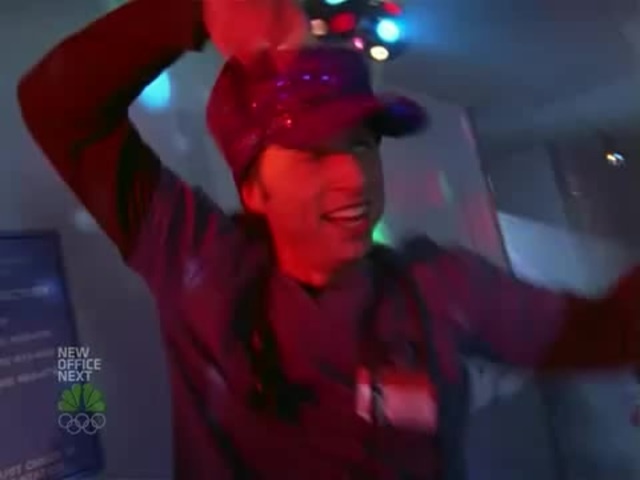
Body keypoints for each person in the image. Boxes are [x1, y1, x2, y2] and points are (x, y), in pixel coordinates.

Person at [17, 0, 640, 478]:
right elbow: (57, 107)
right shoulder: (200, 267)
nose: (355, 176)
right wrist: (193, 11)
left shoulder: (440, 290)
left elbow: (605, 331)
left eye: (362, 144)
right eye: (314, 153)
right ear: (253, 188)